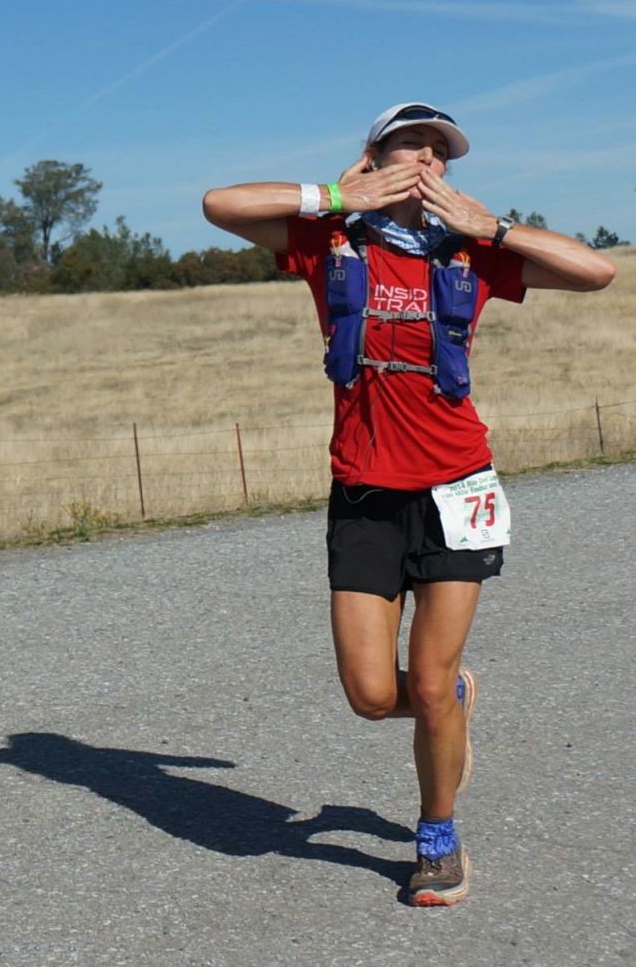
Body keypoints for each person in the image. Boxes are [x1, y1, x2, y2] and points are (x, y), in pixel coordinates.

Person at [202, 102, 615, 906]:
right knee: (369, 695)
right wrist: (333, 195)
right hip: (363, 491)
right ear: (374, 156)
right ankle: (454, 701)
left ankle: (438, 835)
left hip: (457, 485)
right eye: (408, 147)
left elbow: (596, 270)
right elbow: (221, 205)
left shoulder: (468, 253)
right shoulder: (330, 242)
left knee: (423, 685)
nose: (425, 161)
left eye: (438, 154)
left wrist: (491, 227)